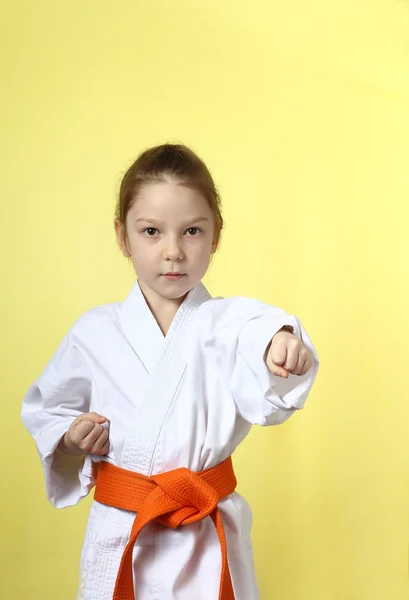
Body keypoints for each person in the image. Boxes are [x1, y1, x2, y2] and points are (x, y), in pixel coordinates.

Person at [21, 143, 319, 600]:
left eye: (192, 231)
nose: (173, 251)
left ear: (216, 236)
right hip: (123, 528)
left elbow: (262, 333)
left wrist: (282, 345)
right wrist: (73, 435)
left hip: (205, 529)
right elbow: (49, 408)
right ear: (122, 236)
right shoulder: (94, 331)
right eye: (152, 232)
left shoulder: (232, 323)